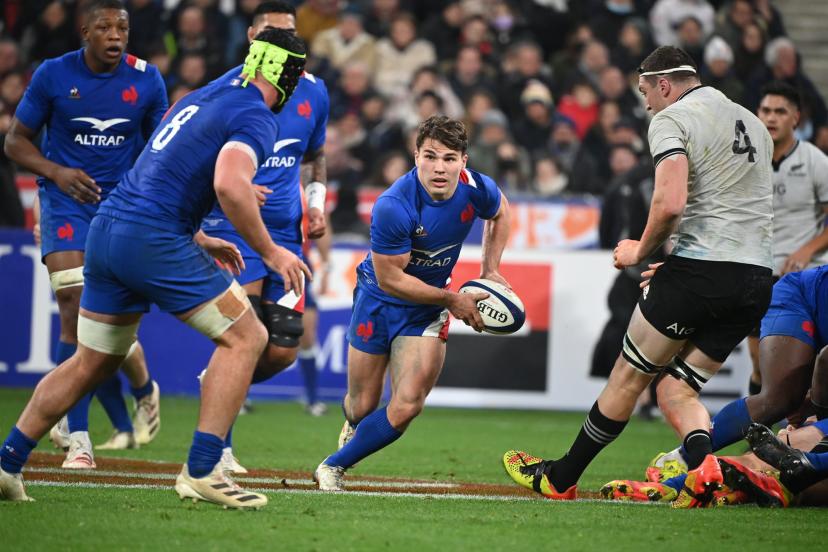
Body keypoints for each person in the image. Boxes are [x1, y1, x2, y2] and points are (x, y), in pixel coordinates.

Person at [0, 27, 310, 509]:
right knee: (247, 337)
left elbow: (161, 167)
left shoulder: (205, 95)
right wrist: (271, 251)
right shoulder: (255, 115)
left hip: (107, 229)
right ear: (288, 75)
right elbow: (230, 185)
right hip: (153, 238)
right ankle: (204, 469)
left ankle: (7, 462)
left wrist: (199, 235)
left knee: (91, 360)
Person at [503, 46, 774, 507]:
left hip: (702, 272)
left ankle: (561, 478)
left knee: (628, 376)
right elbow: (735, 213)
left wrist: (640, 250)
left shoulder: (672, 119)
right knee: (676, 388)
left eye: (646, 90)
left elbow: (669, 203)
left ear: (664, 84)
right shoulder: (753, 122)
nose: (646, 102)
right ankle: (705, 470)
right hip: (754, 279)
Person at [3, 0, 167, 469]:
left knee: (108, 326)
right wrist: (56, 171)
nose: (116, 35)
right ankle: (80, 440)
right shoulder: (54, 74)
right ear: (84, 32)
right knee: (74, 308)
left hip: (120, 207)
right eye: (105, 27)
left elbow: (160, 151)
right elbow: (15, 140)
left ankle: (140, 388)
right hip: (64, 200)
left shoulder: (146, 79)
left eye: (123, 27)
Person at [313, 115, 512, 491]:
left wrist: (490, 268)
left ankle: (332, 466)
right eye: (431, 156)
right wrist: (454, 299)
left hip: (427, 310)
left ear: (463, 161)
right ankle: (356, 424)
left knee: (408, 403)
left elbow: (501, 211)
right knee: (361, 403)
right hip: (379, 299)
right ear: (415, 155)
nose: (440, 167)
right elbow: (392, 279)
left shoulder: (476, 188)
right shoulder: (393, 205)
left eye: (450, 158)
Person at [200, 0, 330, 471]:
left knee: (283, 349)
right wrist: (231, 188)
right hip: (237, 232)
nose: (286, 45)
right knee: (243, 335)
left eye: (292, 35)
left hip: (289, 239)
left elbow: (315, 155)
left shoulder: (314, 92)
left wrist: (315, 205)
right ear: (253, 37)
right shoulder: (228, 92)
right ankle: (220, 449)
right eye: (274, 34)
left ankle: (217, 381)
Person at [745, 82, 828, 395]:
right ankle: (757, 433)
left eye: (780, 111)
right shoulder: (746, 161)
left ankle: (803, 436)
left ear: (796, 118)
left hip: (802, 278)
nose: (771, 118)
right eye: (766, 110)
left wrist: (807, 249)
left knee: (803, 369)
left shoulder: (814, 161)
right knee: (759, 367)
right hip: (758, 274)